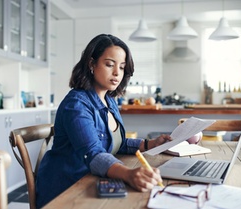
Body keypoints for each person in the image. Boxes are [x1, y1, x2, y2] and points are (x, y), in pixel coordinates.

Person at [35, 34, 171, 208]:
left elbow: (116, 143)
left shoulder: (109, 101)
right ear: (92, 64)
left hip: (92, 181)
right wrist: (129, 174)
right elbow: (94, 153)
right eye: (109, 64)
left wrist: (150, 144)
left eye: (122, 67)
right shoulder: (76, 104)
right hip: (67, 189)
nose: (117, 73)